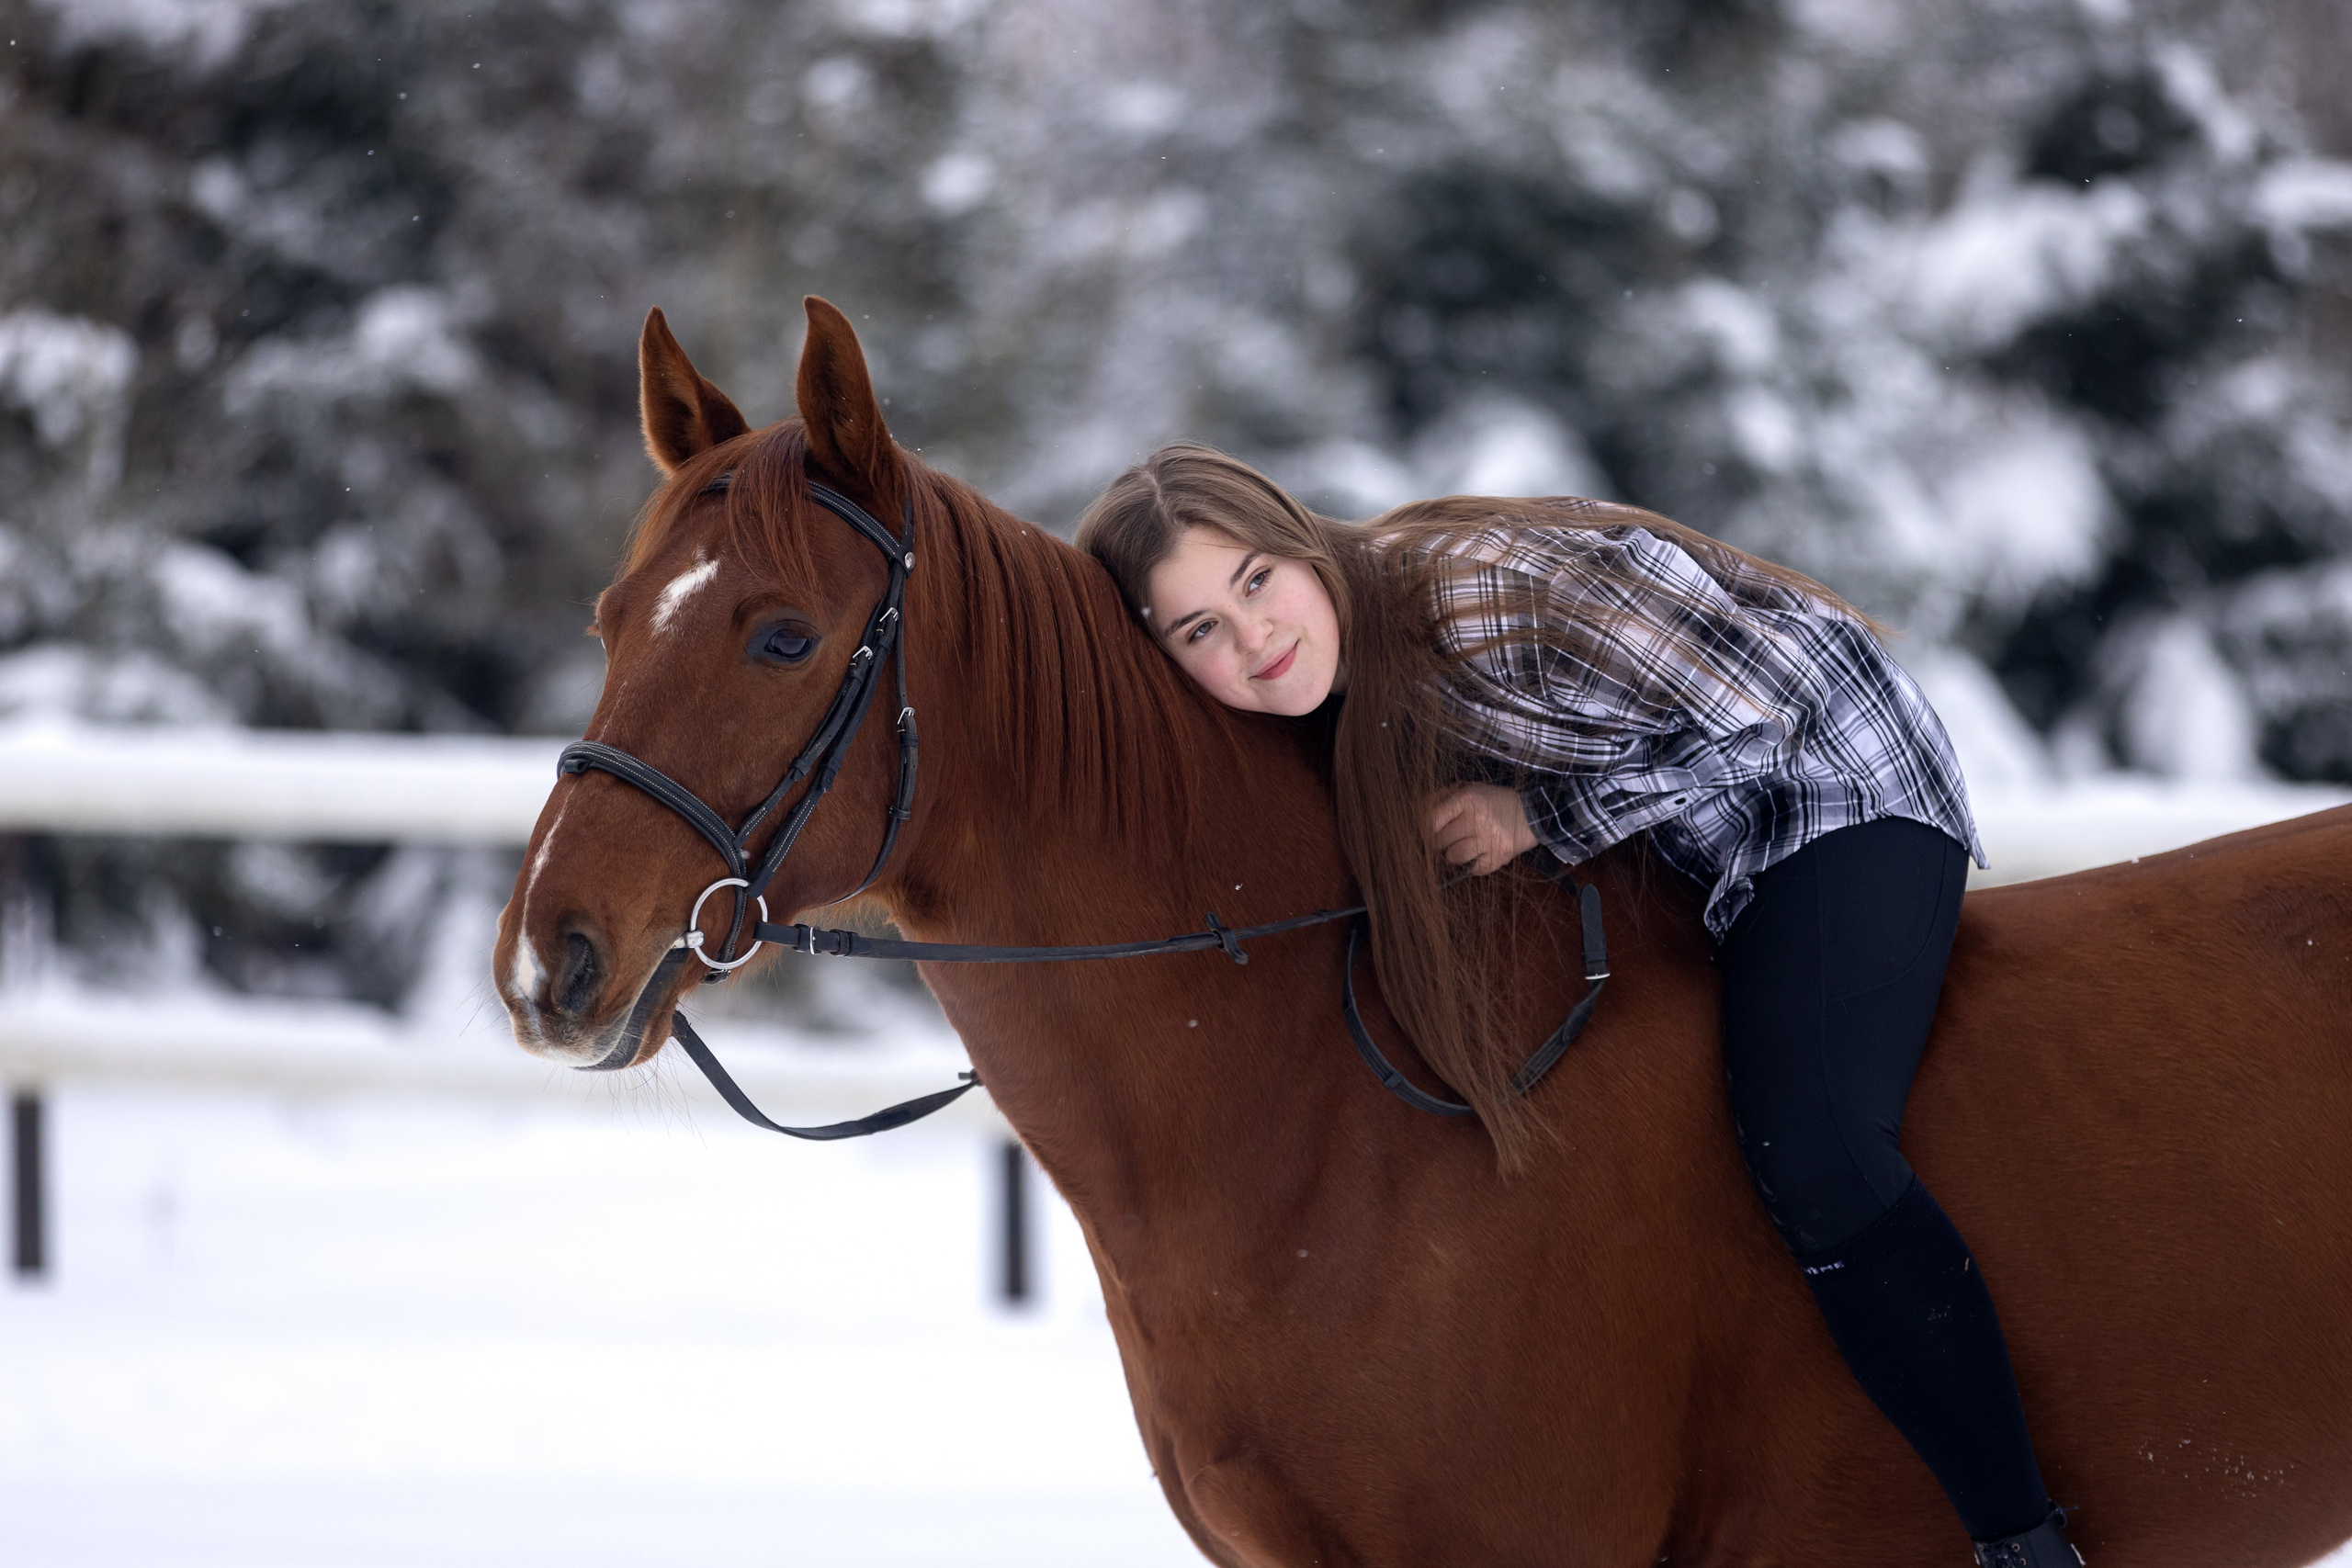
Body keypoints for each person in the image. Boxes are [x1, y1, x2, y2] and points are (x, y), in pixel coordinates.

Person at [1074, 443, 2082, 1568]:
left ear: (1304, 544)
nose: (1252, 640)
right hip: (1689, 835)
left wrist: (1541, 817)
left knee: (1815, 1154)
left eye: (1256, 580)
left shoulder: (1480, 597)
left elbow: (1761, 722)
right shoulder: (1313, 698)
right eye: (1198, 629)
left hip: (1832, 785)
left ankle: (2020, 1535)